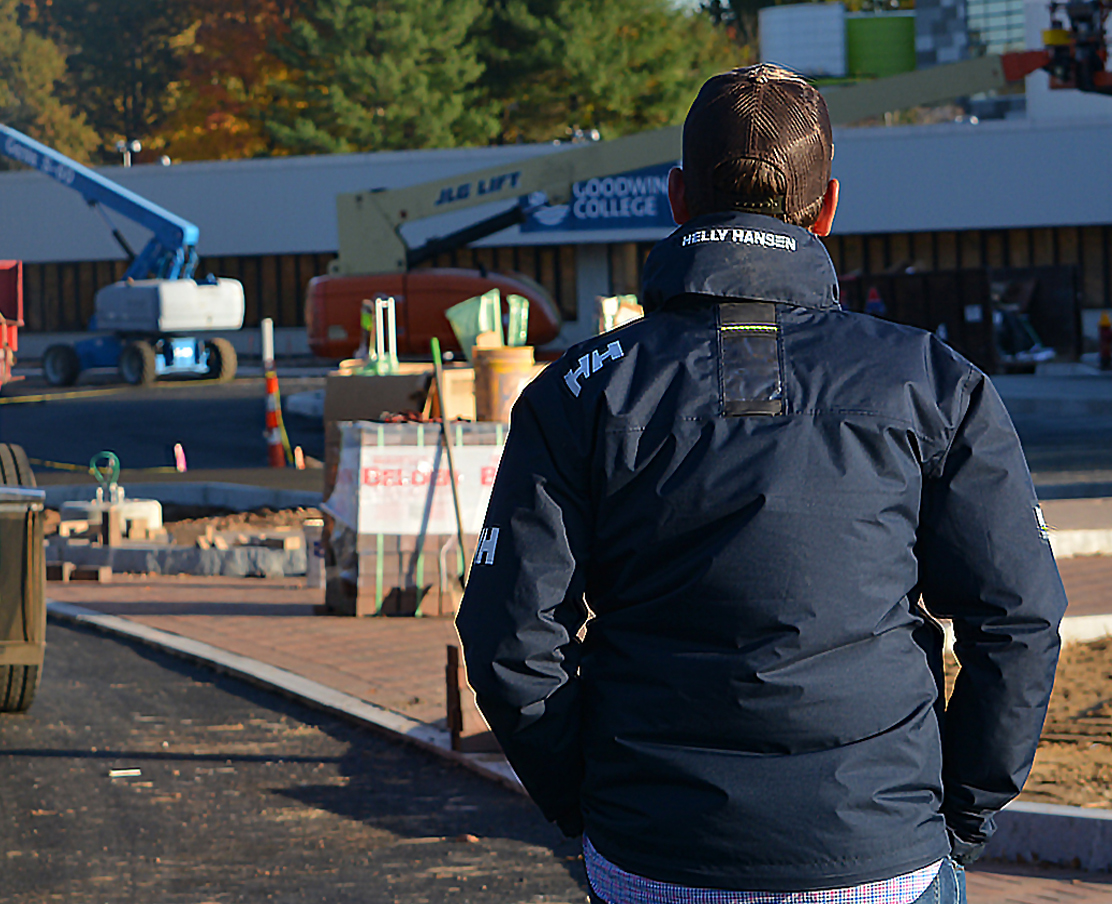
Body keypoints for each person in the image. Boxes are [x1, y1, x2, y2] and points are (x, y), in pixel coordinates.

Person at [456, 63, 1065, 904]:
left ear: (676, 199)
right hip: (879, 850)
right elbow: (1020, 621)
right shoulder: (931, 380)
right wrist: (956, 822)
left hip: (655, 853)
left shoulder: (580, 391)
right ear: (827, 209)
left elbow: (506, 635)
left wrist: (590, 808)